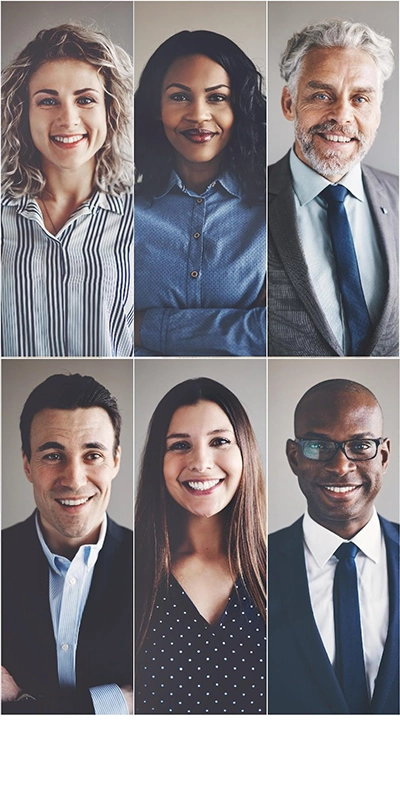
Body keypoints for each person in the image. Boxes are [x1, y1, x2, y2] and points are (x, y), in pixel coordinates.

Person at [1, 374, 133, 715]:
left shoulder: (163, 566)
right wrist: (119, 701)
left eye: (93, 455)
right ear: (27, 464)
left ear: (115, 461)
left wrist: (20, 705)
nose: (74, 479)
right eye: (52, 455)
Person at [268, 19, 399, 357]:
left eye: (360, 99)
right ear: (288, 103)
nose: (342, 115)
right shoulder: (246, 200)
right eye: (322, 95)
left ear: (377, 113)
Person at [135, 377, 266, 714]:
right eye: (180, 445)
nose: (201, 462)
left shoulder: (292, 568)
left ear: (245, 453)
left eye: (219, 440)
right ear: (158, 462)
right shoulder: (127, 570)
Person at [268, 379, 399, 715]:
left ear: (383, 456)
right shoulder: (250, 565)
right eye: (318, 446)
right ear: (294, 457)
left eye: (360, 446)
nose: (341, 467)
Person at [1, 24, 133, 357]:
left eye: (85, 99)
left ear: (110, 110)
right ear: (23, 113)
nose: (68, 119)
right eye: (48, 101)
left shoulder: (143, 217)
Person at [134, 30, 266, 357]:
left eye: (217, 97)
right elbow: (104, 327)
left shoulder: (275, 209)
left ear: (240, 107)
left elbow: (270, 333)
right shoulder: (120, 212)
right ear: (156, 108)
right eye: (179, 97)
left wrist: (146, 327)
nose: (198, 115)